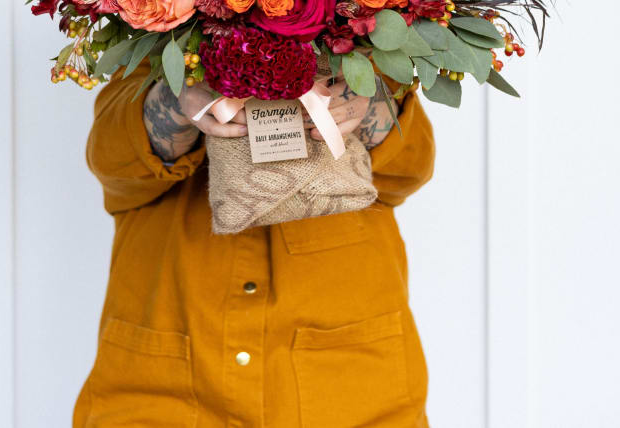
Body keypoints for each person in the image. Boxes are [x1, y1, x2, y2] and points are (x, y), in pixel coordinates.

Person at [73, 61, 436, 428]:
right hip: (164, 396)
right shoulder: (152, 45)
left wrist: (362, 98)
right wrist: (182, 94)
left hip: (351, 393)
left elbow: (406, 171)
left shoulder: (369, 54)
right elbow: (114, 163)